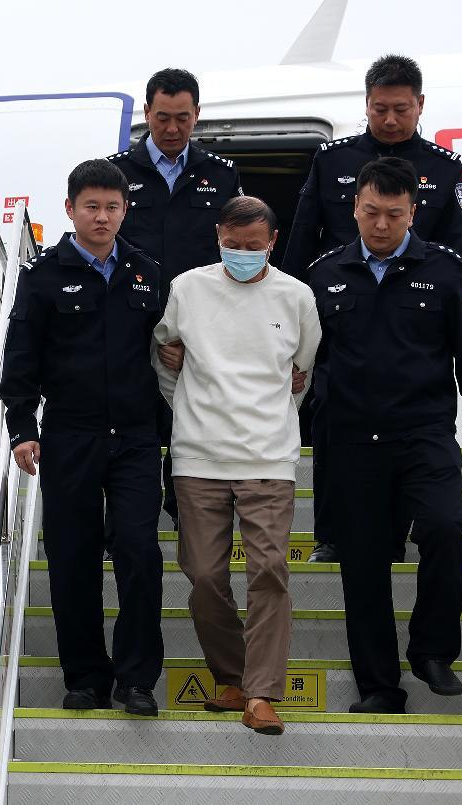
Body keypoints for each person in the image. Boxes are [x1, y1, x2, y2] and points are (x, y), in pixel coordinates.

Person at [307, 157, 462, 714]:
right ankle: (378, 688)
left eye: (394, 214)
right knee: (362, 564)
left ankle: (432, 651)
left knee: (444, 529)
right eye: (371, 212)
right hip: (352, 440)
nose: (381, 224)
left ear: (414, 212)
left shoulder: (444, 270)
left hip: (423, 433)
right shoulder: (325, 274)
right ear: (355, 208)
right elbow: (302, 356)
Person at [282, 54, 462, 565]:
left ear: (420, 105)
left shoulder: (442, 166)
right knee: (331, 416)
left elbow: (458, 249)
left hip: (414, 308)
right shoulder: (332, 160)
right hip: (341, 306)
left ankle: (405, 524)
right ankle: (331, 534)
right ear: (366, 104)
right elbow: (303, 237)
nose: (390, 120)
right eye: (379, 109)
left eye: (401, 110)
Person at [0, 159, 164, 717]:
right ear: (70, 209)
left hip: (135, 437)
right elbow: (21, 356)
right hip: (71, 434)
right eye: (91, 206)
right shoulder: (43, 275)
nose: (102, 217)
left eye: (112, 207)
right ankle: (87, 677)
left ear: (126, 210)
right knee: (73, 556)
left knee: (139, 550)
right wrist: (22, 427)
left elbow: (165, 346)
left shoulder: (145, 271)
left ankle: (136, 680)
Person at [153, 196, 320, 736]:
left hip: (268, 456)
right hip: (198, 454)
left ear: (273, 242)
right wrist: (189, 407)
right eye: (232, 244)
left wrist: (275, 418)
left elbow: (301, 372)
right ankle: (232, 677)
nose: (241, 254)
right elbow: (165, 355)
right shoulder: (187, 288)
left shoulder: (296, 296)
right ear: (217, 236)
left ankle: (262, 693)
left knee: (268, 570)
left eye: (253, 246)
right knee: (204, 575)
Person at [108, 67, 243, 532]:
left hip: (199, 326)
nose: (172, 128)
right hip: (129, 325)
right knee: (132, 426)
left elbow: (234, 252)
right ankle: (127, 527)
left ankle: (187, 517)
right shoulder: (116, 173)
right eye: (162, 117)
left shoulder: (221, 175)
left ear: (197, 115)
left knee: (193, 423)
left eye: (182, 118)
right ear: (147, 112)